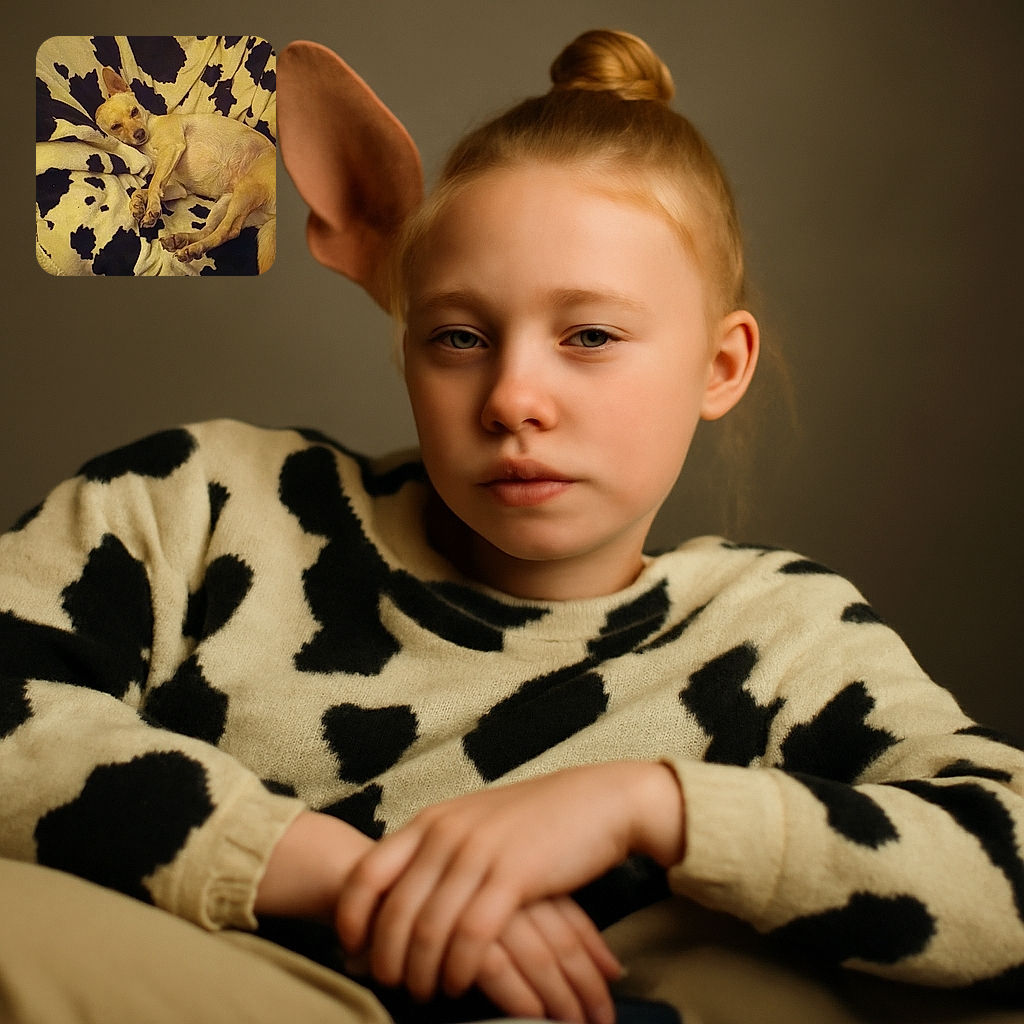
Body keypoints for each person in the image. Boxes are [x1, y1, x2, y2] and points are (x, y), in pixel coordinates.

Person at [2, 28, 1022, 1024]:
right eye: (458, 336)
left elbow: (1005, 860)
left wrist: (652, 806)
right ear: (405, 347)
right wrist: (327, 870)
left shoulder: (781, 639)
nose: (513, 397)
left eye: (589, 336)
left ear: (720, 367)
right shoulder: (203, 501)